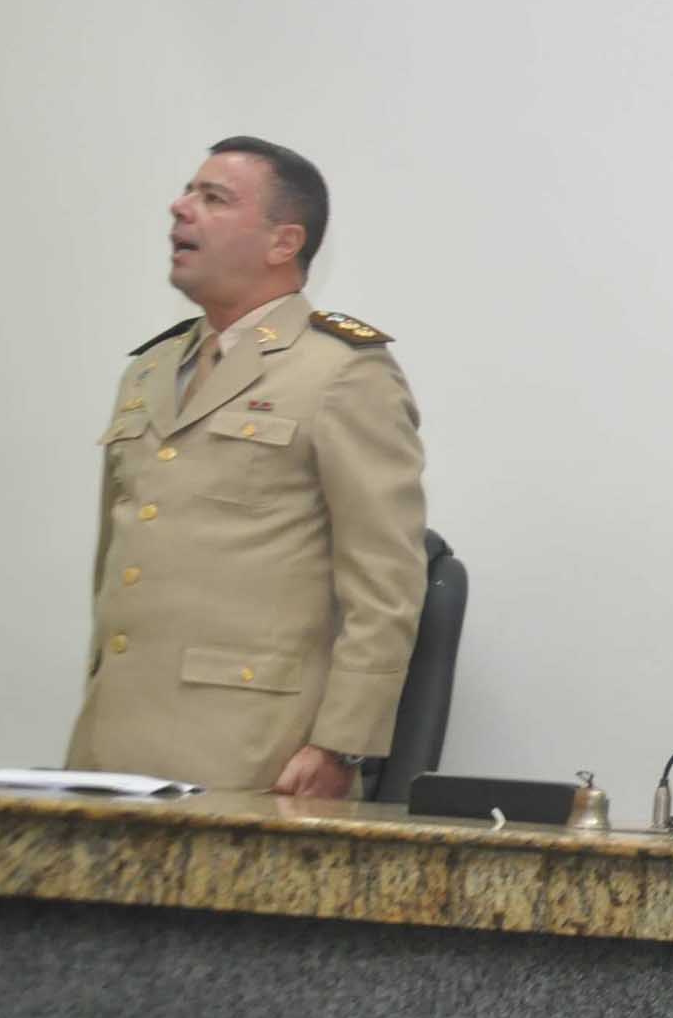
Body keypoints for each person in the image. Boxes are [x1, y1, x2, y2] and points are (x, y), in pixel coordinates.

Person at [67, 137, 428, 796]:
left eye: (213, 198)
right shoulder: (151, 369)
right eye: (187, 192)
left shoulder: (343, 370)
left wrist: (340, 745)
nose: (180, 209)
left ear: (282, 242)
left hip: (250, 754)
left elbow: (387, 582)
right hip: (109, 744)